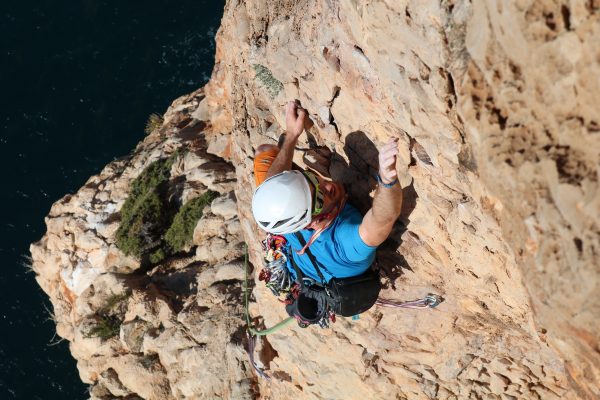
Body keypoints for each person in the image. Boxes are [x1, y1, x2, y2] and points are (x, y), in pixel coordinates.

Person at [252, 101, 404, 285]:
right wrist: (387, 181)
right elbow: (382, 219)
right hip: (328, 271)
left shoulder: (284, 215)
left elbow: (273, 178)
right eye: (318, 200)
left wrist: (292, 134)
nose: (328, 186)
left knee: (265, 152)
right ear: (313, 222)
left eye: (313, 180)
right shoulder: (344, 245)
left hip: (304, 261)